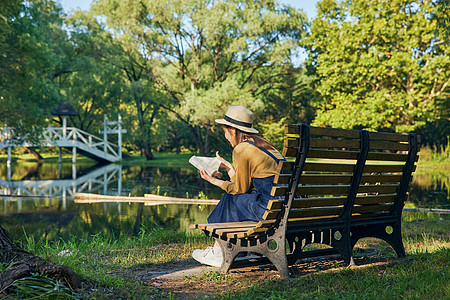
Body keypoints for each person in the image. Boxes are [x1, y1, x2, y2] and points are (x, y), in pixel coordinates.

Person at [192, 105, 285, 267]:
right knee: (239, 198)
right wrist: (229, 168)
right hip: (286, 204)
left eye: (225, 132)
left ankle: (218, 251)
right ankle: (240, 249)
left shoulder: (242, 149)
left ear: (233, 131)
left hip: (269, 208)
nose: (226, 137)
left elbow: (239, 190)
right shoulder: (264, 145)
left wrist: (213, 180)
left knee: (231, 198)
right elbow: (245, 186)